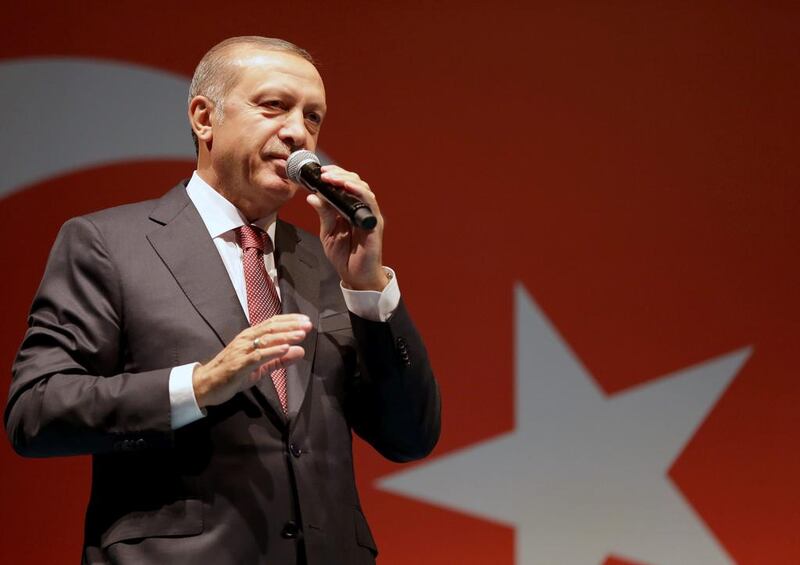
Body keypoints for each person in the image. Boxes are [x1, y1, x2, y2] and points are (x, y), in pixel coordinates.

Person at [4, 36, 440, 565]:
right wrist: (199, 385)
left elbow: (409, 437)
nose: (298, 132)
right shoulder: (108, 244)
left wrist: (369, 289)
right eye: (274, 106)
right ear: (204, 117)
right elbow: (36, 410)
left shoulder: (330, 262)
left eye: (313, 117)